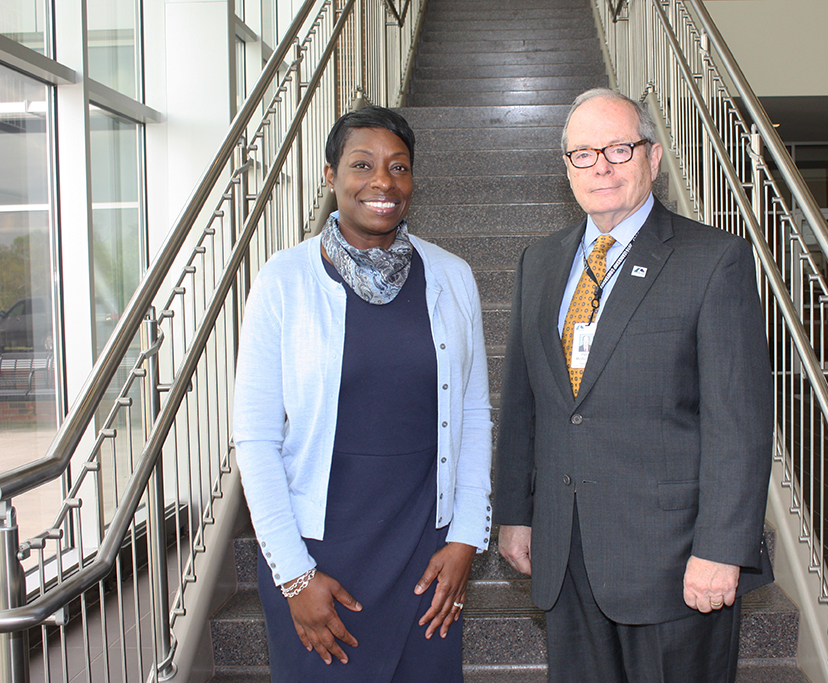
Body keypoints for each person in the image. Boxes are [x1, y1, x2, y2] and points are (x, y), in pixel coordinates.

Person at [494, 88, 774, 683]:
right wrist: (517, 512)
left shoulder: (714, 260)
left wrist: (722, 549)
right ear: (566, 166)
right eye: (583, 153)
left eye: (619, 149)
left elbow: (739, 422)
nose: (601, 166)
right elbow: (525, 404)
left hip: (676, 562)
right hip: (567, 555)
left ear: (654, 156)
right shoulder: (539, 262)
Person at [233, 106, 492, 682]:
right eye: (362, 165)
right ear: (330, 176)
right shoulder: (284, 280)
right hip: (319, 556)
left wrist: (467, 537)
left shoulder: (451, 275)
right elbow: (254, 436)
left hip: (427, 553)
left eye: (399, 167)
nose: (383, 182)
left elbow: (473, 414)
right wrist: (295, 576)